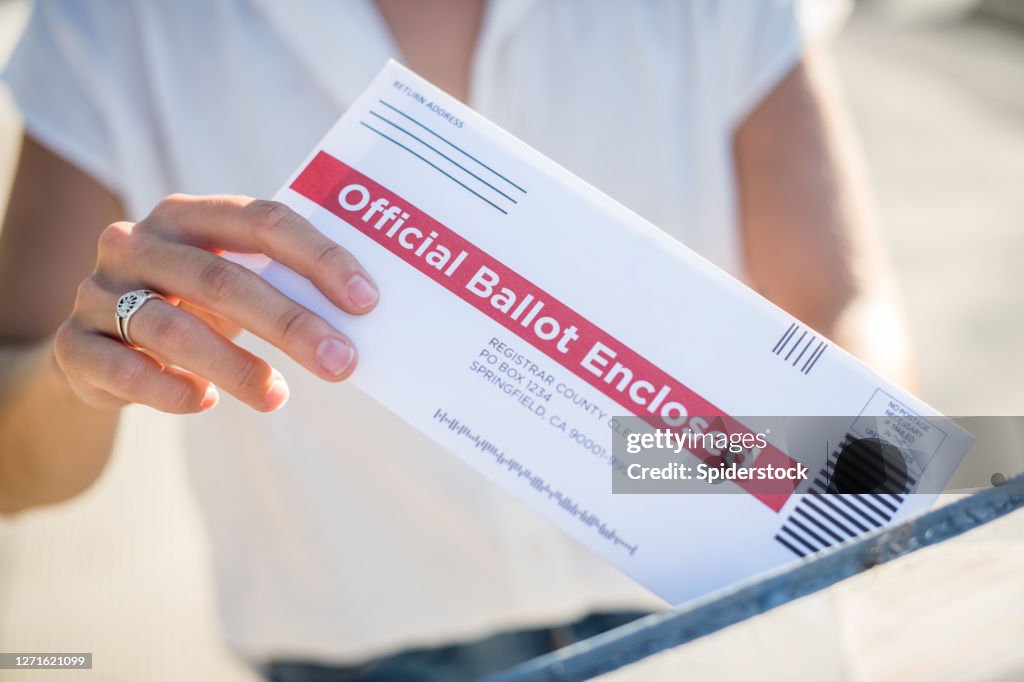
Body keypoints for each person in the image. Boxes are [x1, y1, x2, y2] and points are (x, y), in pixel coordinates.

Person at [0, 1, 912, 679]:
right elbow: (14, 468)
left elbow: (841, 312)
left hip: (720, 626)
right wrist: (85, 371)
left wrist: (697, 461)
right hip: (363, 661)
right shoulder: (121, 24)